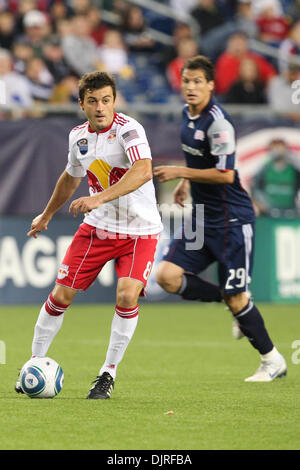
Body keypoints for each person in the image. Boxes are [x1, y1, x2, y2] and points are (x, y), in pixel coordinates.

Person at [15, 71, 162, 399]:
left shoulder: (129, 130)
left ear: (115, 101)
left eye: (106, 100)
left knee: (127, 296)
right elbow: (70, 177)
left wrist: (98, 197)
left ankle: (107, 374)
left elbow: (142, 171)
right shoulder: (77, 137)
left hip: (140, 231)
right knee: (60, 296)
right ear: (81, 103)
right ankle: (34, 362)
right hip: (99, 229)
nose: (100, 107)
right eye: (93, 101)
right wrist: (47, 213)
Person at [153, 55, 287, 382]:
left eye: (198, 81)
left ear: (211, 85)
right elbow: (199, 158)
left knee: (237, 296)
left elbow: (226, 174)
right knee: (167, 276)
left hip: (232, 221)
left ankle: (272, 360)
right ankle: (232, 304)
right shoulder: (187, 115)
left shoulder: (219, 123)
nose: (191, 87)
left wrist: (180, 172)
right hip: (201, 217)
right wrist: (188, 181)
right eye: (187, 81)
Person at [251, 138, 300, 217]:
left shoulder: (294, 169)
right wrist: (261, 206)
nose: (278, 152)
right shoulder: (263, 169)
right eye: (274, 149)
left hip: (291, 213)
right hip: (269, 214)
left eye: (280, 148)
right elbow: (254, 189)